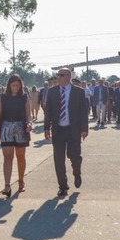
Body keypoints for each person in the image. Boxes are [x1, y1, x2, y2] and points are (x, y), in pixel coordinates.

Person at [43, 69, 89, 197]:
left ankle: (77, 172)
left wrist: (84, 129)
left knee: (74, 156)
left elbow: (83, 111)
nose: (59, 77)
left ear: (69, 77)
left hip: (73, 129)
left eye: (62, 75)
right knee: (58, 159)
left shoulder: (78, 92)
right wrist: (46, 128)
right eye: (58, 75)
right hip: (58, 130)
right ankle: (63, 186)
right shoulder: (52, 91)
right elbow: (48, 111)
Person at [0, 74, 33, 197]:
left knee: (20, 156)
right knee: (7, 157)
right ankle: (7, 185)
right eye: (13, 85)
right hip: (6, 127)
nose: (15, 88)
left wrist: (29, 123)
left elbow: (28, 113)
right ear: (9, 85)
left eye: (17, 85)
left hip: (21, 127)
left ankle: (21, 181)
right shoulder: (3, 97)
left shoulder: (24, 97)